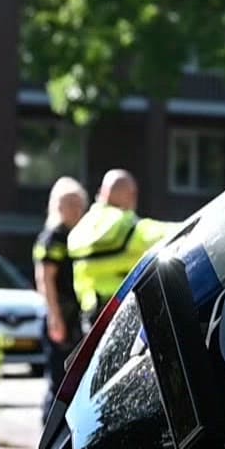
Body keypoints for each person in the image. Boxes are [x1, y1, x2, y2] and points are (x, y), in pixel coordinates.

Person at [66, 169, 179, 322]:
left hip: (90, 316)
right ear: (130, 194)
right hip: (122, 312)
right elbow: (170, 232)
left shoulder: (81, 227)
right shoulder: (126, 224)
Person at [34, 177, 89, 414]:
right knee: (58, 382)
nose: (76, 210)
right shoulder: (54, 237)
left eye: (79, 204)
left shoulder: (77, 235)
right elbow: (44, 278)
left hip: (74, 316)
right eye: (70, 204)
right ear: (58, 206)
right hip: (60, 316)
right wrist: (54, 317)